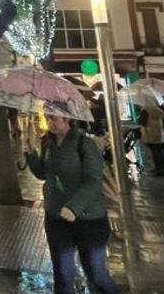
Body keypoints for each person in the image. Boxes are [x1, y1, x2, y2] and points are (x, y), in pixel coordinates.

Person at [25, 112, 120, 294]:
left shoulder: (85, 144)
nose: (50, 122)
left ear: (68, 119)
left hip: (89, 220)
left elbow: (93, 180)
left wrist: (73, 207)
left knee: (95, 273)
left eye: (54, 118)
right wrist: (31, 155)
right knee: (63, 273)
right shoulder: (48, 143)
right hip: (56, 218)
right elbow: (44, 174)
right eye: (47, 118)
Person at [138, 104, 164, 176]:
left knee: (155, 152)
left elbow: (141, 121)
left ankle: (158, 169)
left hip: (150, 133)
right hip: (159, 133)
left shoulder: (146, 109)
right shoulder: (161, 110)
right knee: (160, 150)